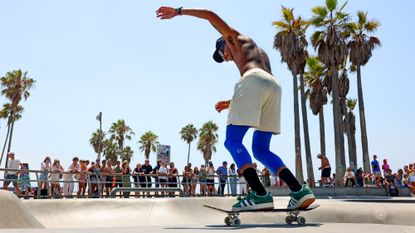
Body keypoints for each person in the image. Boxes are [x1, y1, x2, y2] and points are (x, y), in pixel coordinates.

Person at [156, 6, 315, 210]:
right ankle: (299, 190)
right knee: (261, 149)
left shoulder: (233, 38)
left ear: (225, 42)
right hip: (273, 86)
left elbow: (210, 16)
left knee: (232, 141)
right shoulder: (260, 53)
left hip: (253, 82)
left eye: (223, 54)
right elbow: (263, 86)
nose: (226, 58)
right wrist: (232, 102)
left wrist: (178, 12)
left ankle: (259, 194)